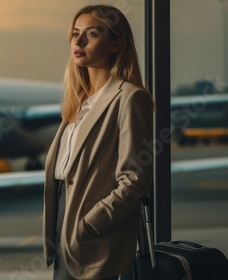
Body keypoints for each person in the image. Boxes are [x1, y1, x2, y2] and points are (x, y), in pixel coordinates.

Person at [42, 4, 154, 280]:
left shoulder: (130, 98)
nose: (78, 42)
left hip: (93, 234)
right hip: (62, 226)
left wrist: (90, 224)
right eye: (75, 33)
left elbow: (135, 181)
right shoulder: (77, 104)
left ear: (116, 44)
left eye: (91, 34)